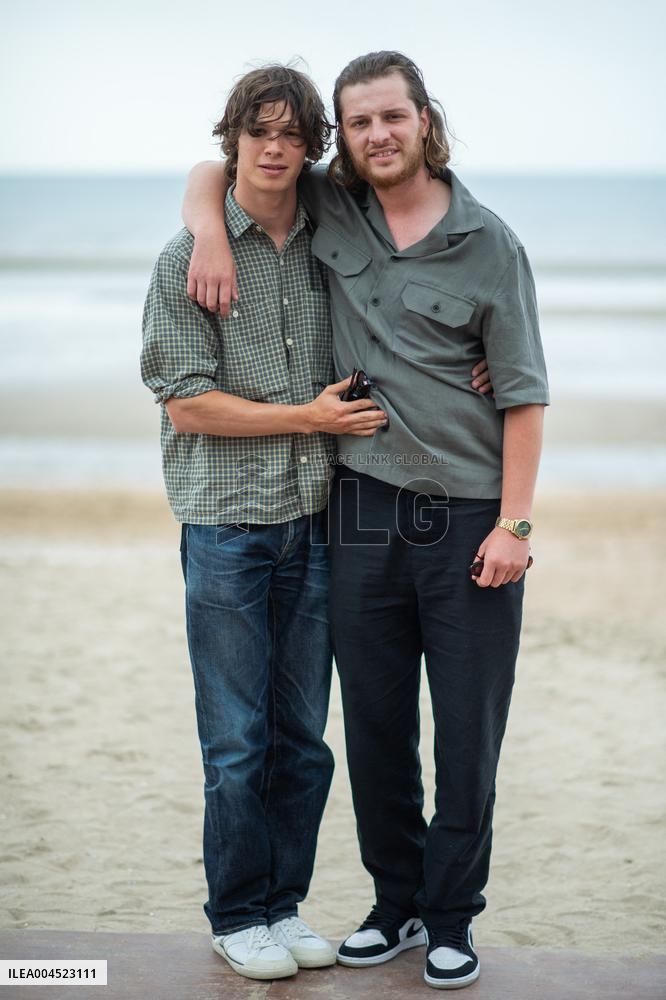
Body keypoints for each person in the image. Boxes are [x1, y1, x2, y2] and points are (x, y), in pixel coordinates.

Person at [182, 50, 549, 991]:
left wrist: (515, 525)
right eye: (359, 123)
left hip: (468, 516)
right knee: (376, 729)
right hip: (358, 508)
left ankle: (452, 916)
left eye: (392, 116)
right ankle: (397, 904)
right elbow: (226, 166)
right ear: (342, 139)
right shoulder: (330, 206)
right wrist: (207, 233)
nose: (377, 135)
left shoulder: (491, 244)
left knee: (466, 733)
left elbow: (524, 394)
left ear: (425, 118)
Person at [140, 64, 392, 982]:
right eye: (259, 132)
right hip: (227, 528)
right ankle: (238, 914)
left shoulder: (333, 236)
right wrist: (308, 419)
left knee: (303, 741)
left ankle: (283, 906)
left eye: (292, 134)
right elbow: (187, 404)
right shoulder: (187, 258)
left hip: (316, 522)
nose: (275, 149)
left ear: (312, 146)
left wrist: (479, 360)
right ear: (234, 139)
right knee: (238, 741)